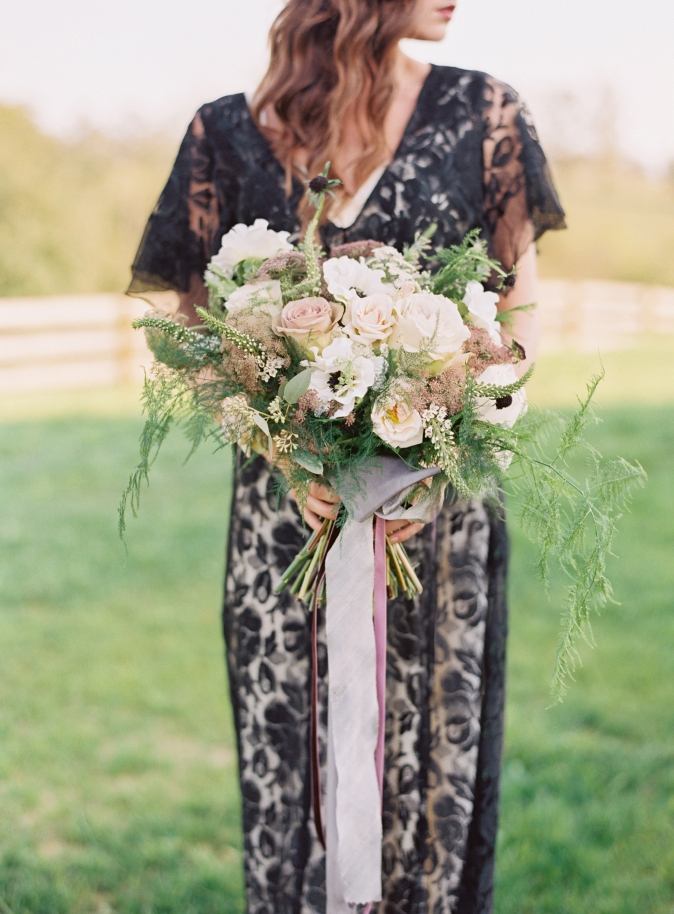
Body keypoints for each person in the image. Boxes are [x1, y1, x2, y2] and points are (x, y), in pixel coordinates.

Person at [128, 1, 565, 911]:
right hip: (286, 531)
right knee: (291, 779)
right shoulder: (224, 136)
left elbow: (517, 318)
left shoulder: (485, 114)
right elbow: (190, 336)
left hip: (436, 529)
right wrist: (284, 453)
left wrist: (446, 452)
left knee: (431, 787)